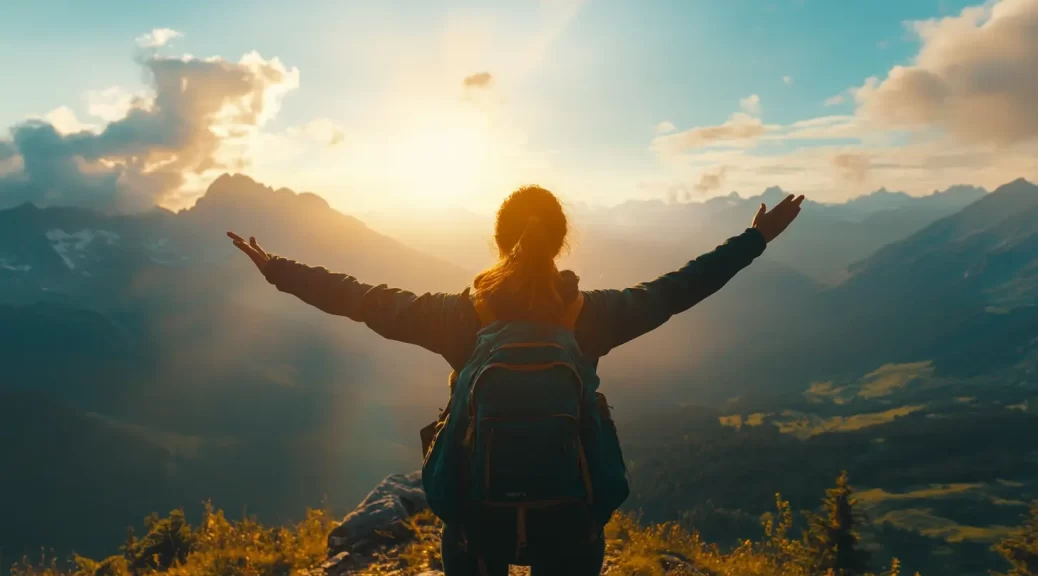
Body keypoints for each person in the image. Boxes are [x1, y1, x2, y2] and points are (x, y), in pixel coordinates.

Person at [228, 185, 804, 575]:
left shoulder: (459, 316)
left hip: (477, 522)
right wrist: (754, 239)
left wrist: (279, 271)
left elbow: (363, 299)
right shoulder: (592, 314)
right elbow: (681, 287)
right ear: (561, 244)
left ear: (500, 242)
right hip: (570, 519)